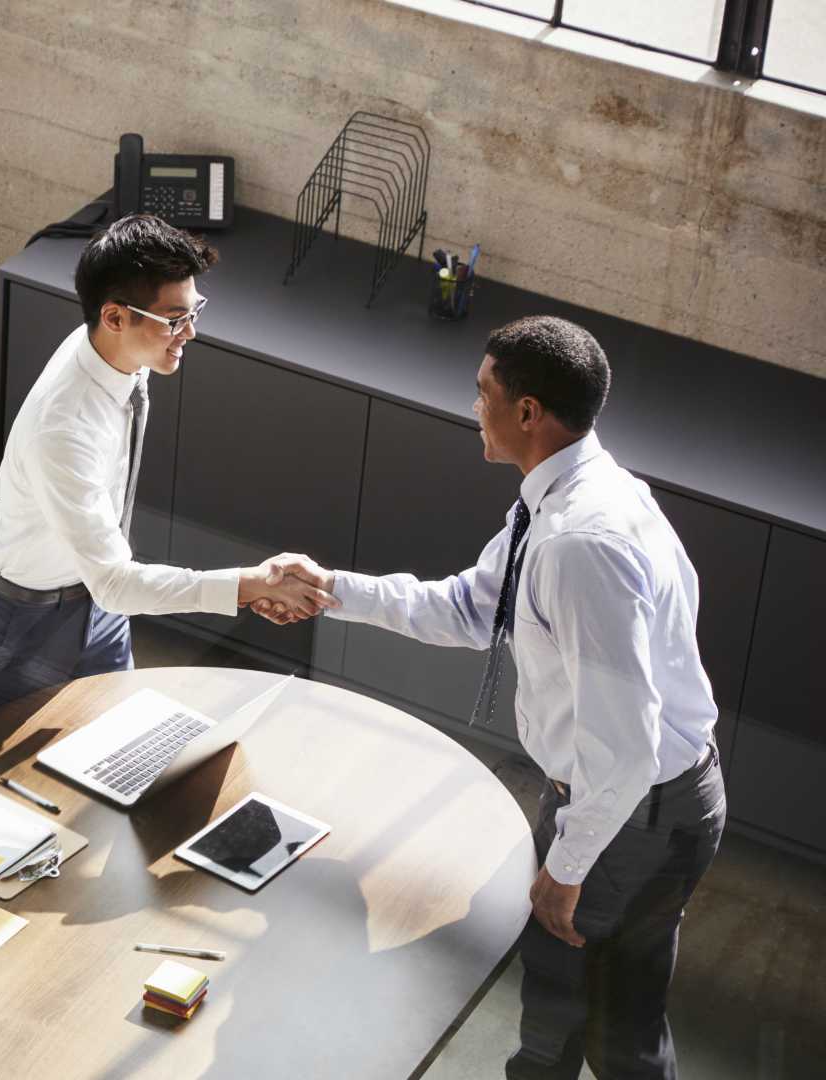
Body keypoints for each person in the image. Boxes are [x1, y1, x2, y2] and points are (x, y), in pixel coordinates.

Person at [258, 316, 726, 1079]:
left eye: (483, 393)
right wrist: (330, 589)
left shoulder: (581, 544)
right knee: (592, 1019)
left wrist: (567, 866)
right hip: (628, 799)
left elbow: (626, 747)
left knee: (594, 1033)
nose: (474, 406)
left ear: (528, 412)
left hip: (636, 811)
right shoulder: (563, 502)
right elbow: (470, 608)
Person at [0, 213, 336, 741]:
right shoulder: (64, 428)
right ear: (114, 316)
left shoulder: (115, 352)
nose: (190, 332)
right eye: (175, 319)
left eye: (194, 311)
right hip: (17, 620)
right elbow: (117, 584)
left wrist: (246, 588)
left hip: (98, 601)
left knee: (113, 748)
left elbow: (110, 584)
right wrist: (246, 586)